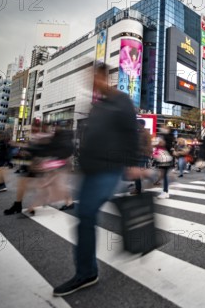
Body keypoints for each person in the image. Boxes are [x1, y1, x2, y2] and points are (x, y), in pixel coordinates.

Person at [53, 63, 140, 297]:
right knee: (86, 214)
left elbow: (132, 132)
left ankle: (86, 272)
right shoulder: (97, 106)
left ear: (104, 77)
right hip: (91, 170)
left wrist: (134, 164)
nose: (92, 82)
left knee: (85, 216)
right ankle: (133, 232)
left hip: (109, 168)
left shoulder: (121, 100)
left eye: (94, 77)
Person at [130, 119, 153, 195]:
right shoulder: (137, 132)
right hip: (137, 155)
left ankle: (138, 189)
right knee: (137, 171)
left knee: (138, 172)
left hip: (143, 155)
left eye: (138, 123)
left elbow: (149, 145)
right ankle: (138, 187)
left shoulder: (146, 133)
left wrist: (148, 154)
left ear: (142, 124)